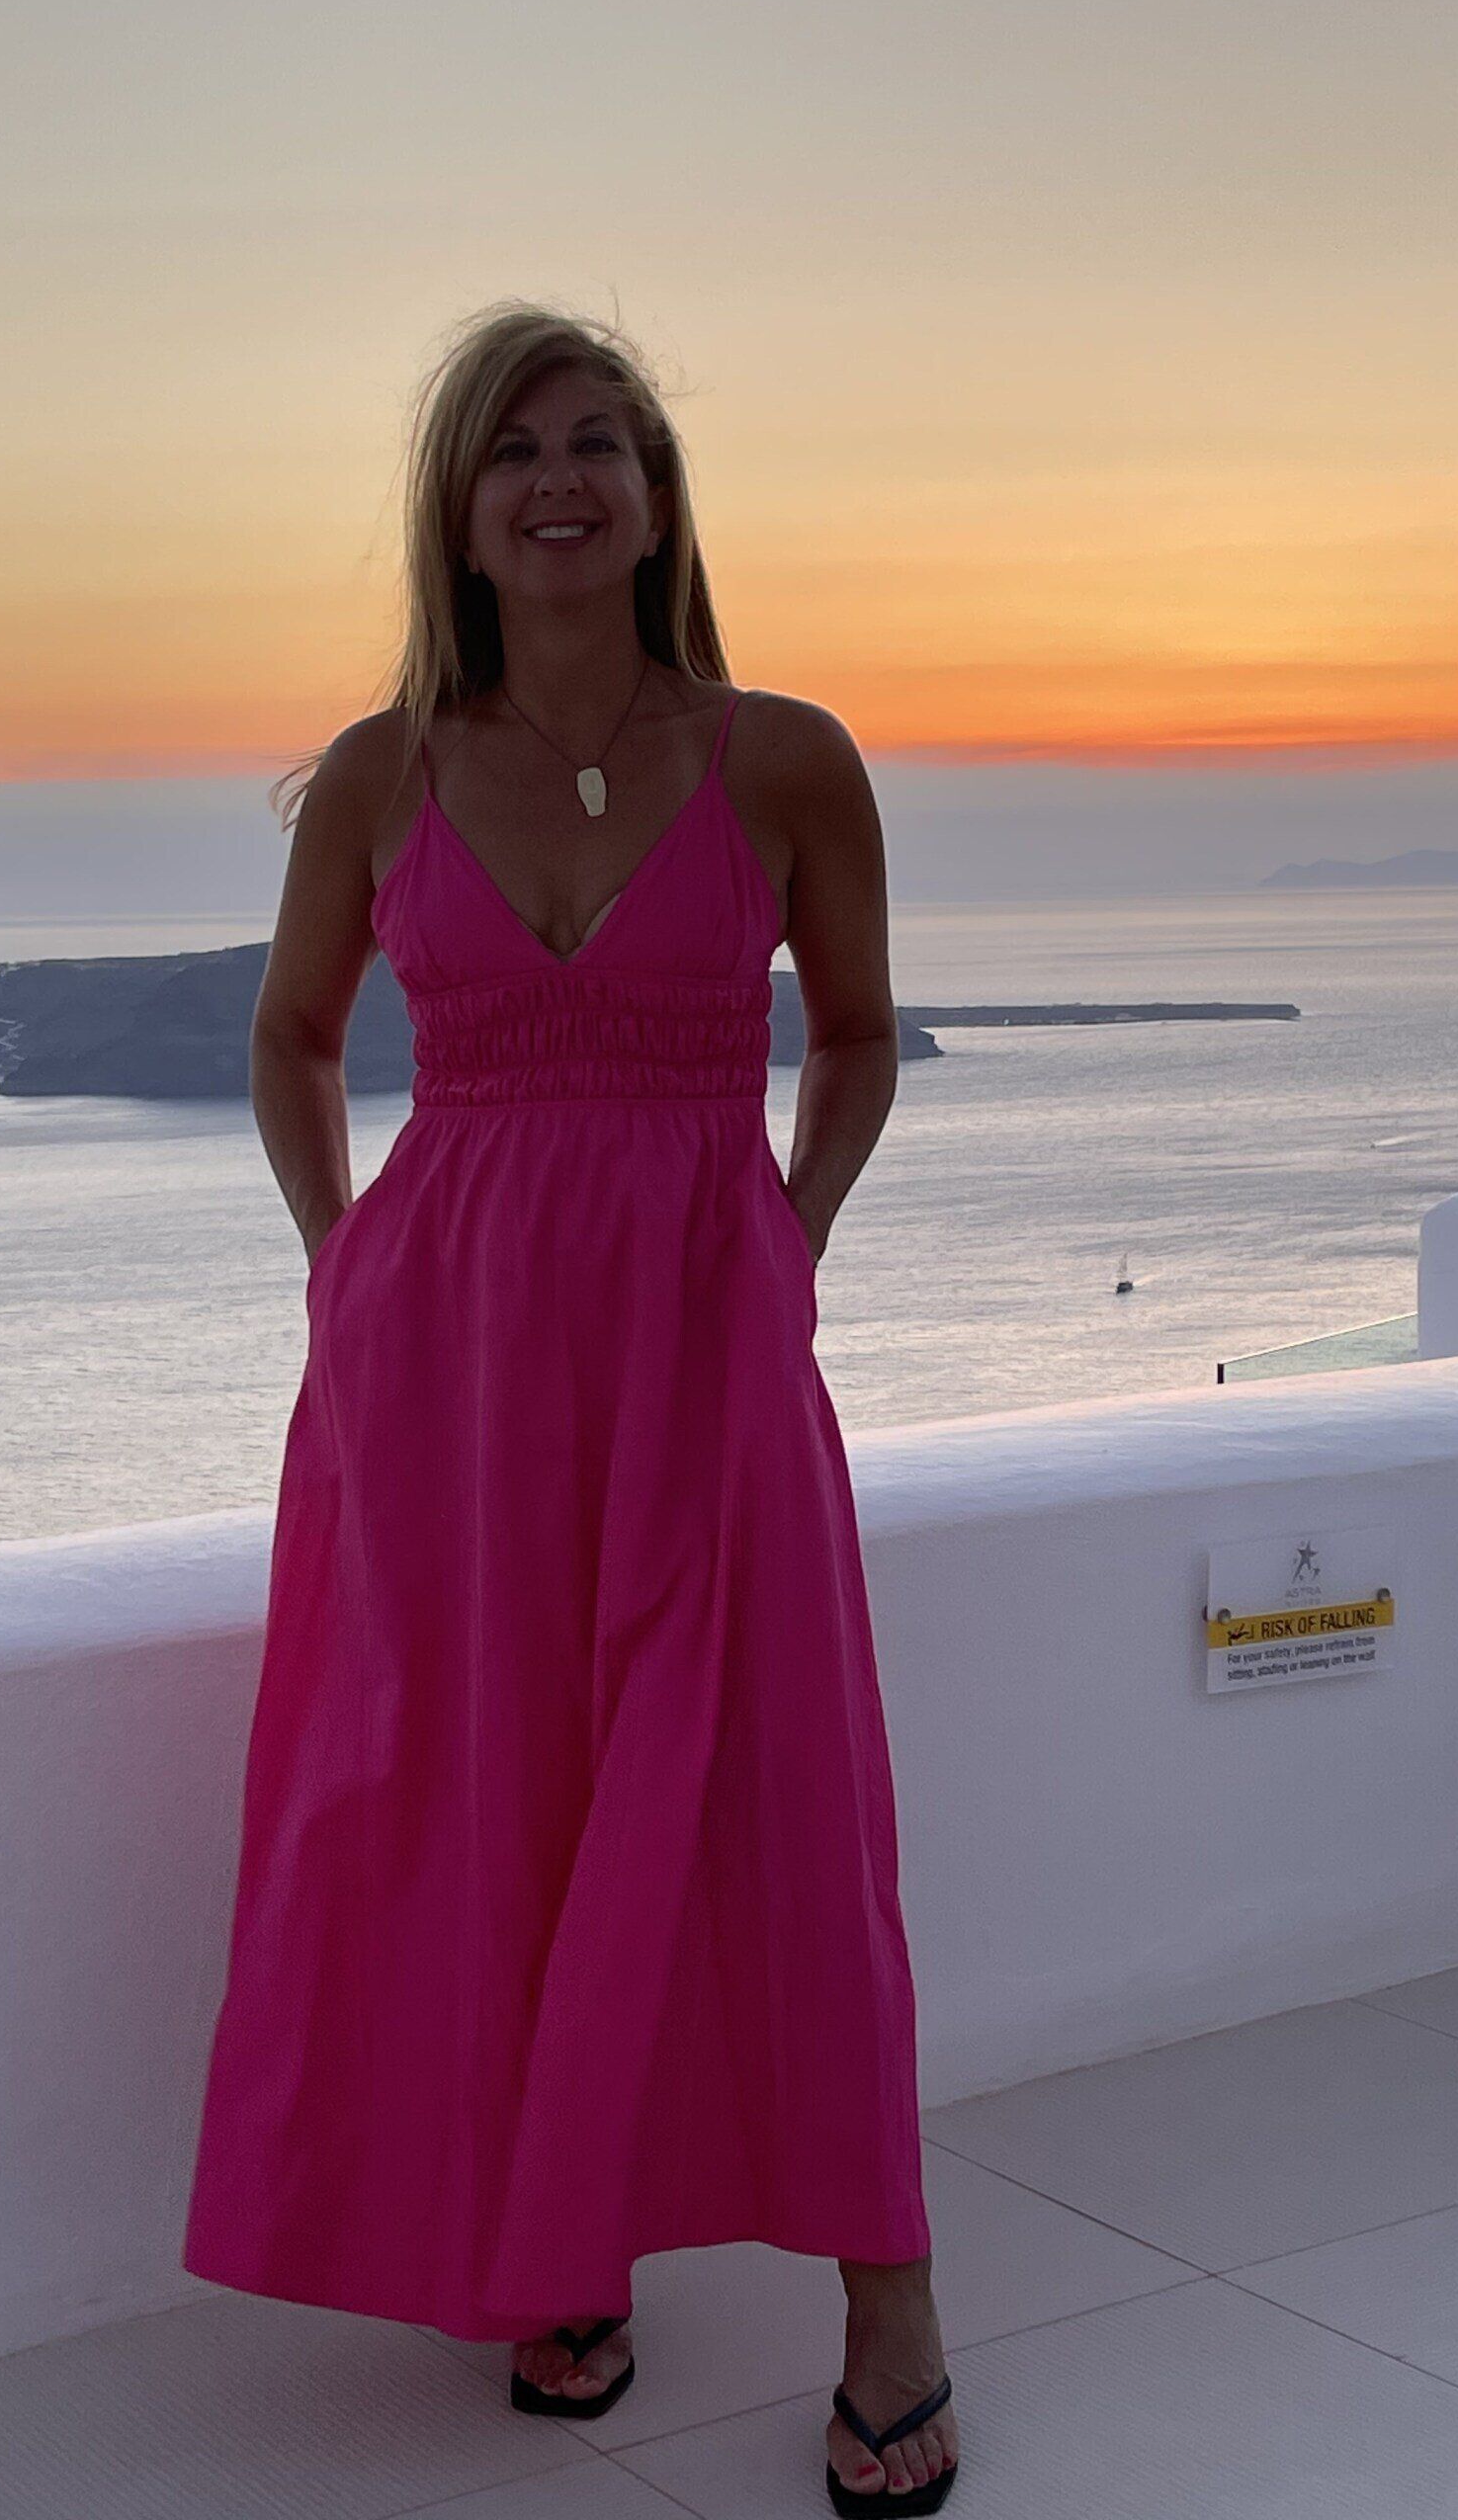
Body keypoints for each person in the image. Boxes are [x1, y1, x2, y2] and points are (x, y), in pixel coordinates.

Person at [180, 301, 961, 2513]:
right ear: (460, 504)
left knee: (788, 1810)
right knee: (501, 1800)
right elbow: (292, 1041)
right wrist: (348, 1266)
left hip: (712, 1349)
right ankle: (566, 2248)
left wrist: (788, 1238)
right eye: (517, 444)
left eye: (601, 442)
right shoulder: (382, 773)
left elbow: (867, 1037)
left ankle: (889, 2295)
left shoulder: (786, 755)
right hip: (447, 1378)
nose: (561, 476)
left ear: (654, 497)